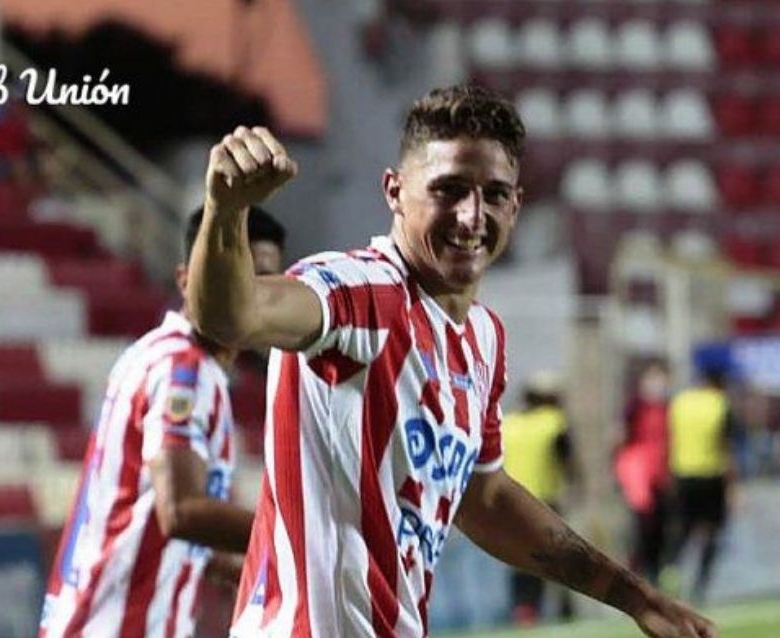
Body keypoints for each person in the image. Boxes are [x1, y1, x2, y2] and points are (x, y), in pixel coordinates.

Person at [186, 84, 717, 638]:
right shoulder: (360, 292)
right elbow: (231, 316)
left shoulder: (483, 338)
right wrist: (227, 209)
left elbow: (485, 498)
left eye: (494, 194)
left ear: (515, 205)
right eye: (449, 190)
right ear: (394, 192)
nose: (471, 216)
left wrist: (635, 597)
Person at [39, 207, 285, 638]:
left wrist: (228, 568)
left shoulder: (163, 355)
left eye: (263, 280)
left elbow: (156, 518)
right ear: (187, 280)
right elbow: (180, 510)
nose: (246, 292)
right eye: (231, 274)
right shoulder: (183, 369)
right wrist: (292, 537)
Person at [502, 372, 579, 626]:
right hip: (544, 500)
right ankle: (565, 610)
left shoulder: (508, 423)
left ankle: (524, 609)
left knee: (520, 558)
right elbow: (567, 460)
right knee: (558, 557)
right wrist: (575, 485)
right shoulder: (554, 422)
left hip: (510, 502)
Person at [668, 365, 738, 605]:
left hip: (682, 474)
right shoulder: (720, 404)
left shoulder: (679, 403)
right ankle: (700, 585)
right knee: (711, 530)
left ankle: (671, 576)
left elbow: (669, 439)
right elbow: (726, 447)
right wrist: (732, 487)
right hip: (711, 475)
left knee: (683, 529)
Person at [615, 358, 673, 586]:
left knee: (661, 527)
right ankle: (637, 575)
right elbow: (621, 438)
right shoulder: (635, 408)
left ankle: (654, 574)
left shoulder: (668, 409)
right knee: (643, 526)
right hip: (639, 473)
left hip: (661, 473)